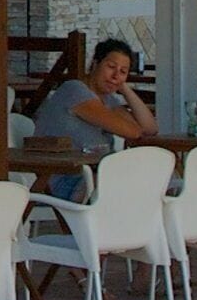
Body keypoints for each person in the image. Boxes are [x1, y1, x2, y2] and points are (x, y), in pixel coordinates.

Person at [31, 39, 158, 199]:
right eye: (111, 67)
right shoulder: (75, 90)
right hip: (67, 179)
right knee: (136, 184)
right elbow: (133, 132)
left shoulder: (108, 99)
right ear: (95, 64)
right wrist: (121, 81)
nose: (115, 76)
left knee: (153, 180)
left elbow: (149, 129)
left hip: (96, 175)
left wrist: (124, 88)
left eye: (123, 72)